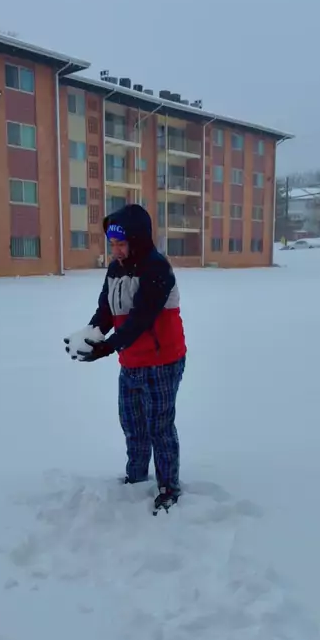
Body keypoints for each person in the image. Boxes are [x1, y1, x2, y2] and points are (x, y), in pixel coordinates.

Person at [64, 204, 187, 512]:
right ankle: (136, 477)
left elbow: (141, 319)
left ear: (137, 239)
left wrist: (106, 348)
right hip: (131, 360)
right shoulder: (116, 269)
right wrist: (90, 335)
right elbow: (106, 311)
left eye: (121, 244)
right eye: (112, 244)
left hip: (162, 361)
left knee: (159, 427)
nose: (116, 251)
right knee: (133, 425)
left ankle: (168, 487)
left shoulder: (157, 268)